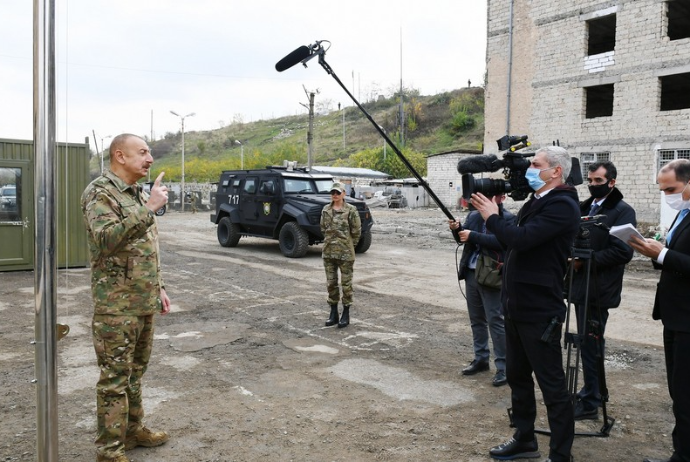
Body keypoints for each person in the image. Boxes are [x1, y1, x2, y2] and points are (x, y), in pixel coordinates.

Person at [472, 146, 580, 462]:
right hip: (516, 305)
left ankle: (561, 455)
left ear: (556, 171)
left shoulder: (562, 206)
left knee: (552, 386)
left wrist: (491, 217)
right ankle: (525, 438)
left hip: (539, 309)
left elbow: (521, 239)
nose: (529, 169)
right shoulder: (537, 201)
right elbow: (510, 241)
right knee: (518, 377)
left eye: (536, 164)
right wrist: (484, 227)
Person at [81, 133, 171, 462]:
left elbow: (145, 248)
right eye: (143, 152)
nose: (149, 159)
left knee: (135, 373)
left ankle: (133, 431)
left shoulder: (134, 194)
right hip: (116, 305)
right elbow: (106, 240)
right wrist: (149, 208)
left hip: (142, 299)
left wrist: (158, 286)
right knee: (115, 378)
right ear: (120, 156)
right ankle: (109, 450)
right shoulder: (100, 192)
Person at [629, 159, 690, 462]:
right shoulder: (683, 213)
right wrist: (652, 251)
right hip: (674, 316)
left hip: (688, 320)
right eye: (662, 189)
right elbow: (675, 255)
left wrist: (663, 253)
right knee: (678, 393)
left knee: (686, 395)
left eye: (671, 188)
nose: (666, 194)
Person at [570, 161, 636, 421]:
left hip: (600, 289)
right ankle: (589, 391)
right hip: (579, 286)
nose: (593, 185)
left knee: (592, 344)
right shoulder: (584, 207)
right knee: (585, 343)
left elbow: (623, 251)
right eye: (590, 180)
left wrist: (585, 260)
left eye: (598, 181)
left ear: (612, 182)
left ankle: (591, 402)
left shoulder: (622, 211)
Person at [449, 194, 515, 387]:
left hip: (493, 275)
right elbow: (465, 240)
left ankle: (503, 366)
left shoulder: (509, 219)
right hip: (472, 273)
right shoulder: (474, 217)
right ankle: (481, 359)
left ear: (501, 198)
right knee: (476, 319)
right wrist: (457, 230)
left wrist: (472, 235)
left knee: (496, 320)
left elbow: (504, 242)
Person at [320, 182, 361, 328]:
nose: (335, 195)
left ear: (344, 193)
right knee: (331, 284)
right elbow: (323, 228)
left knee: (346, 284)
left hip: (345, 254)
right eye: (333, 193)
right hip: (329, 252)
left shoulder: (351, 210)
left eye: (338, 192)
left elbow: (356, 231)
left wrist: (349, 245)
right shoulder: (326, 209)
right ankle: (333, 313)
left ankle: (346, 313)